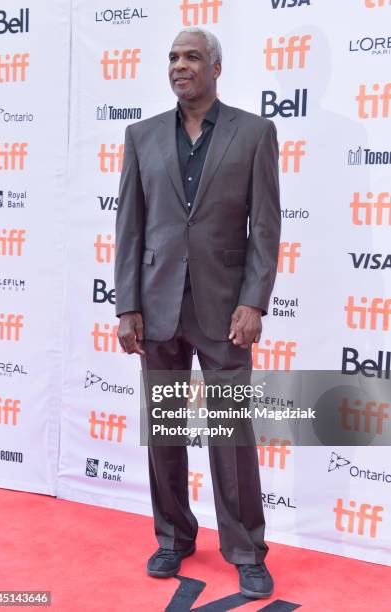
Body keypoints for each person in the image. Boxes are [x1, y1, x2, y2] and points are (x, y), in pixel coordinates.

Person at [114, 27, 281, 600]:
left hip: (225, 310)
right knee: (164, 431)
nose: (179, 65)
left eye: (191, 57)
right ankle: (173, 536)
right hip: (156, 306)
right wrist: (127, 306)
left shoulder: (255, 133)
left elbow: (266, 227)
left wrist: (254, 300)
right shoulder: (141, 136)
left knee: (231, 435)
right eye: (172, 58)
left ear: (215, 67)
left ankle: (245, 550)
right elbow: (129, 229)